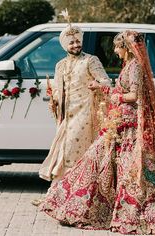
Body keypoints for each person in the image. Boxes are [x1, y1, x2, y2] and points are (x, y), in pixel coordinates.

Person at [39, 30, 155, 235]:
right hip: (119, 122)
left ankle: (95, 209)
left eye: (117, 46)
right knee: (99, 161)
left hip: (128, 126)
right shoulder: (130, 66)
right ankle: (77, 204)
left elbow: (135, 95)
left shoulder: (135, 67)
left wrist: (113, 95)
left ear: (126, 47)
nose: (115, 51)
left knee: (118, 166)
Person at [37, 23, 110, 185]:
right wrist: (54, 98)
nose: (76, 45)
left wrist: (97, 85)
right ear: (64, 45)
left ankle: (77, 190)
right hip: (66, 116)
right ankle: (60, 193)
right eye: (71, 42)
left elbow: (106, 82)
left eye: (77, 41)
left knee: (74, 150)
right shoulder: (60, 65)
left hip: (85, 115)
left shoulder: (90, 60)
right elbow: (57, 88)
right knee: (63, 150)